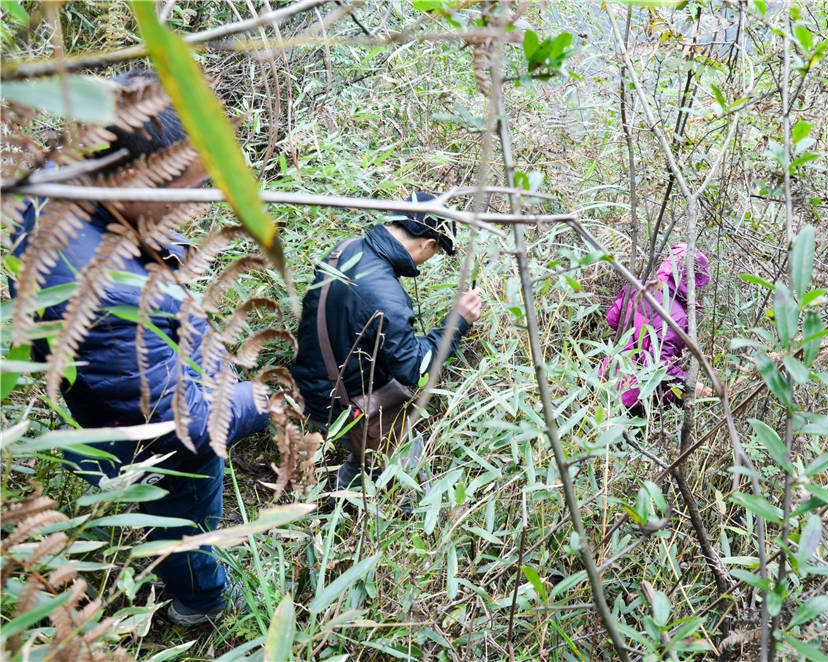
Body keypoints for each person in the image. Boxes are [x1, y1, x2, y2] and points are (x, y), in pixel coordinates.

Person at [8, 70, 269, 626]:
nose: (197, 204)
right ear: (132, 175)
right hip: (159, 438)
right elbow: (192, 427)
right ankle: (198, 605)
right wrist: (263, 395)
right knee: (184, 523)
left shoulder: (57, 180)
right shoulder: (104, 292)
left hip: (108, 395)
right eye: (187, 189)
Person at [290, 192, 481, 489]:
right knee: (414, 478)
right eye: (436, 252)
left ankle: (353, 477)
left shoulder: (344, 249)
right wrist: (457, 322)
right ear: (427, 244)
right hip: (337, 408)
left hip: (304, 387)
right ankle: (385, 499)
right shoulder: (387, 297)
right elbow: (415, 370)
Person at [601, 243, 713, 414]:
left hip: (607, 378)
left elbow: (611, 320)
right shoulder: (676, 315)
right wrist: (694, 385)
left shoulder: (634, 286)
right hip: (639, 397)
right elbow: (658, 367)